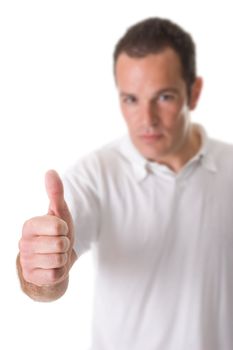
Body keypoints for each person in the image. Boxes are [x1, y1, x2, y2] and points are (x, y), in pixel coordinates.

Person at [17, 17, 233, 350]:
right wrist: (38, 273)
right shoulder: (96, 175)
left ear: (194, 92)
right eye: (130, 99)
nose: (146, 120)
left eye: (163, 97)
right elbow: (47, 281)